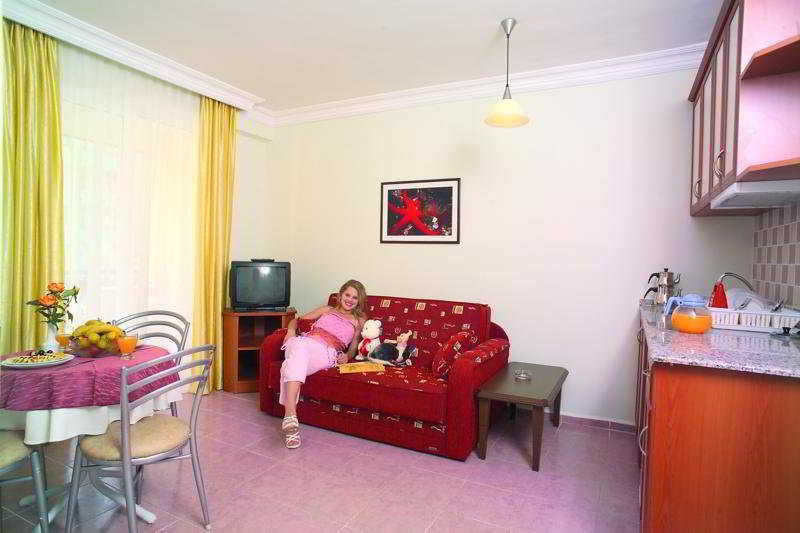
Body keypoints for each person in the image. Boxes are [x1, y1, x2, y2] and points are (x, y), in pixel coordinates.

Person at [279, 279, 367, 448]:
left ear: (359, 301)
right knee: (298, 345)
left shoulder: (359, 320)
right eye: (347, 295)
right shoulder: (327, 310)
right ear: (340, 295)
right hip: (304, 342)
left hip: (326, 352)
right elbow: (296, 320)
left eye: (355, 297)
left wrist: (347, 356)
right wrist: (290, 331)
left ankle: (290, 421)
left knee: (289, 365)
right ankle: (290, 419)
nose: (350, 299)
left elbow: (354, 347)